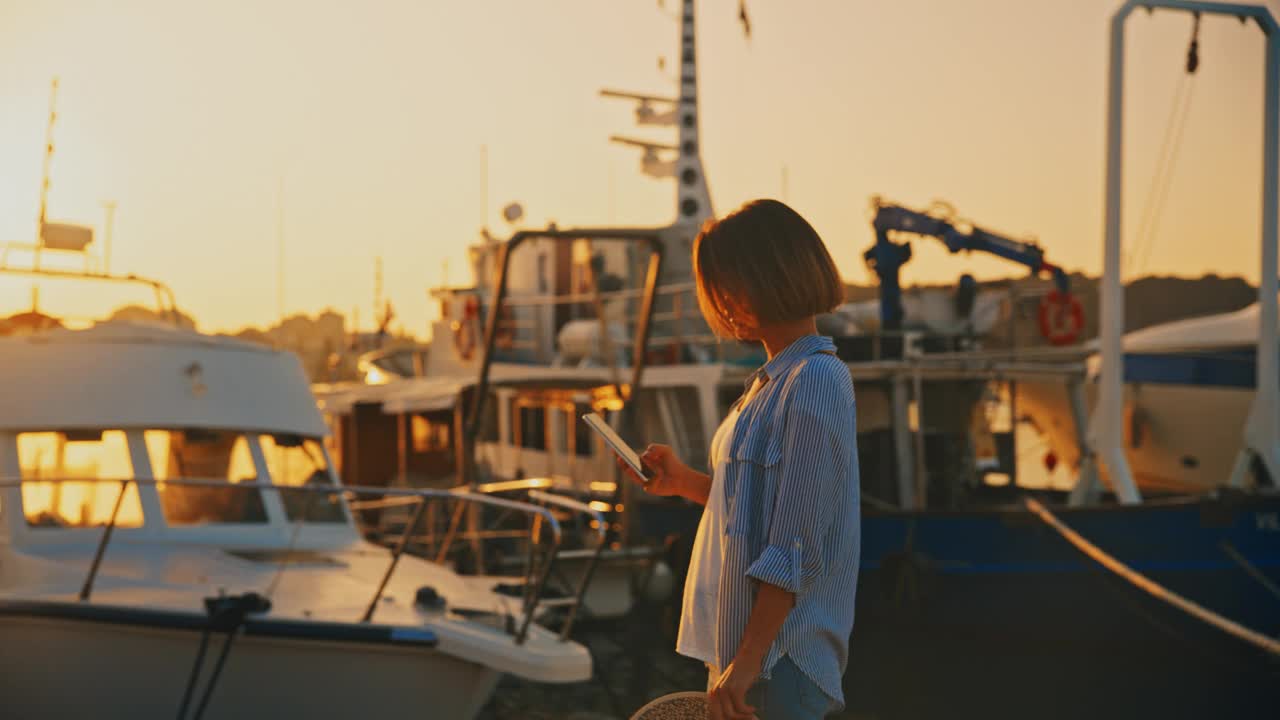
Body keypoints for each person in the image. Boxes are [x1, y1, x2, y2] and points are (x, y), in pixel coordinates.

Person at [617, 199, 861, 720]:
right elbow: (754, 511)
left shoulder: (814, 380)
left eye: (721, 286)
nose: (720, 303)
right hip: (748, 657)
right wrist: (684, 483)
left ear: (752, 283)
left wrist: (747, 663)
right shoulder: (767, 386)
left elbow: (794, 546)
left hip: (777, 660)